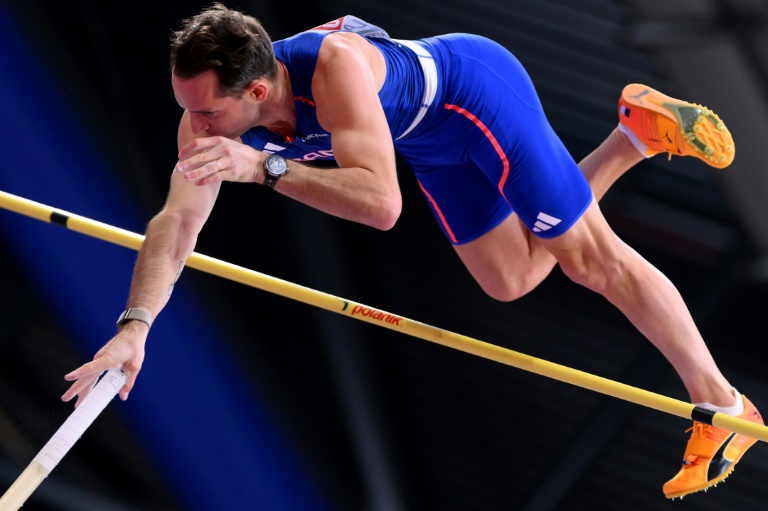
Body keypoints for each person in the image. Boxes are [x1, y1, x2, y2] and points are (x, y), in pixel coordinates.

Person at [61, 4, 761, 499]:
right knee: (513, 277)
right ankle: (634, 135)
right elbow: (174, 224)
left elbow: (382, 205)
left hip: (476, 97)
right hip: (433, 143)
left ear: (258, 89)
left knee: (590, 260)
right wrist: (135, 327)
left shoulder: (330, 71)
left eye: (209, 112)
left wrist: (264, 169)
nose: (196, 125)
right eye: (189, 109)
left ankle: (725, 404)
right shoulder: (209, 120)